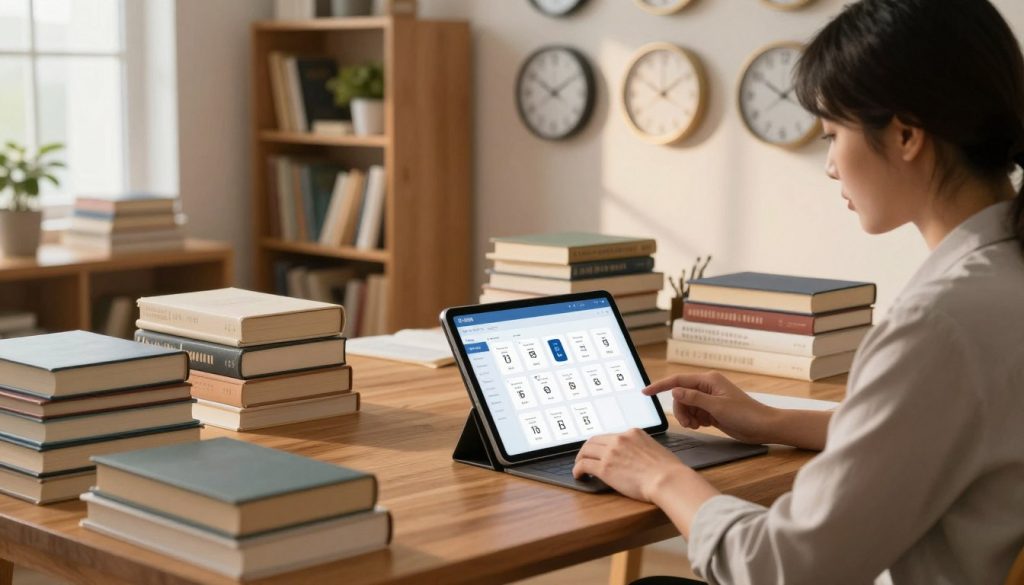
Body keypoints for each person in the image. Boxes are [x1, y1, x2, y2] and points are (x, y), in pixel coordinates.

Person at [571, 0, 1024, 583]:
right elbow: (944, 434)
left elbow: (784, 567)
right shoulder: (1001, 279)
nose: (832, 165)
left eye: (833, 134)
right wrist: (771, 421)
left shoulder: (937, 325)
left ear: (907, 134)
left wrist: (661, 475)